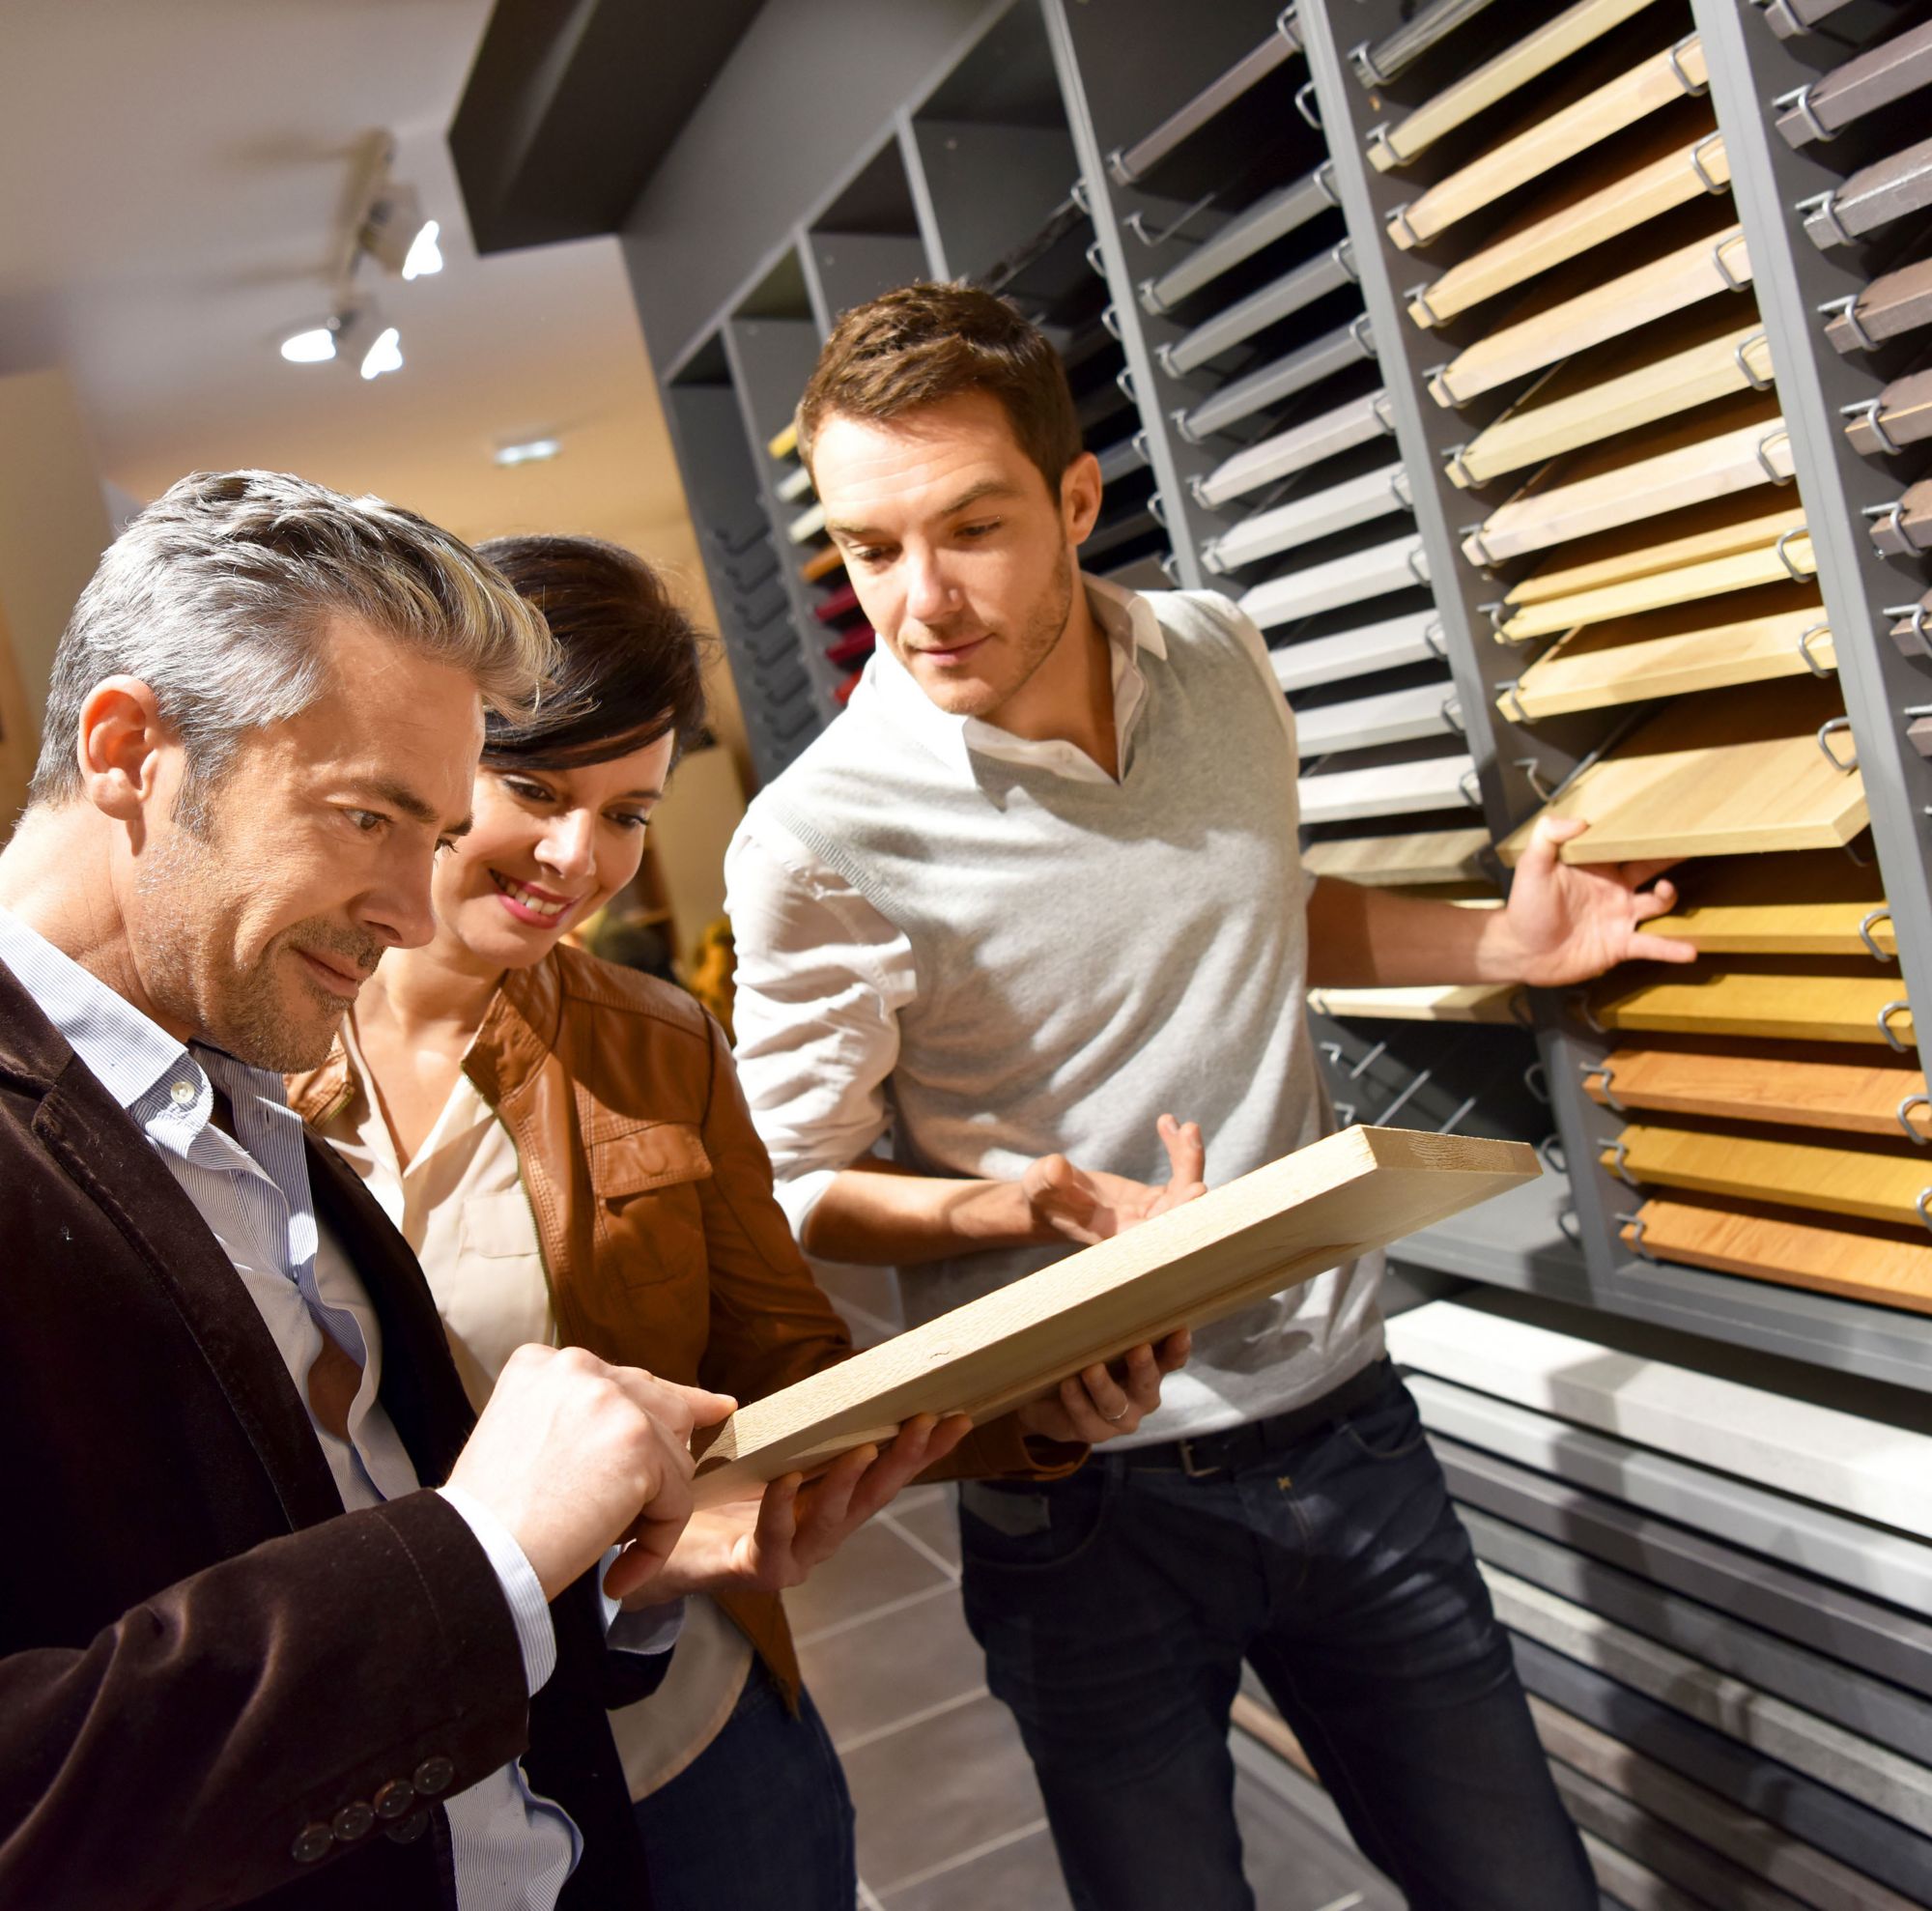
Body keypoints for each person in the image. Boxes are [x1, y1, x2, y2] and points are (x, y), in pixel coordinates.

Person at [724, 284, 1700, 1911]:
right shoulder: (819, 838)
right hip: (1085, 1492)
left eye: (969, 528)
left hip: (1345, 1412)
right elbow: (798, 1178)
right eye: (870, 548)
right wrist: (1018, 1204)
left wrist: (1498, 940)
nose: (920, 599)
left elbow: (1261, 898)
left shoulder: (1221, 655)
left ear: (1077, 500)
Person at [284, 531, 1186, 1911]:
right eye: (533, 786)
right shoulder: (243, 1069)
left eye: (632, 810)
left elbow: (790, 1369)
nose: (581, 857)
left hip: (680, 1739)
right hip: (387, 1795)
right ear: (430, 748)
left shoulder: (656, 1044)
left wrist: (1040, 1408)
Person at [0, 471, 733, 1910]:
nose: (411, 909)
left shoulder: (238, 1086)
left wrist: (580, 1572)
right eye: (367, 819)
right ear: (131, 748)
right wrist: (481, 1555)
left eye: (436, 831)